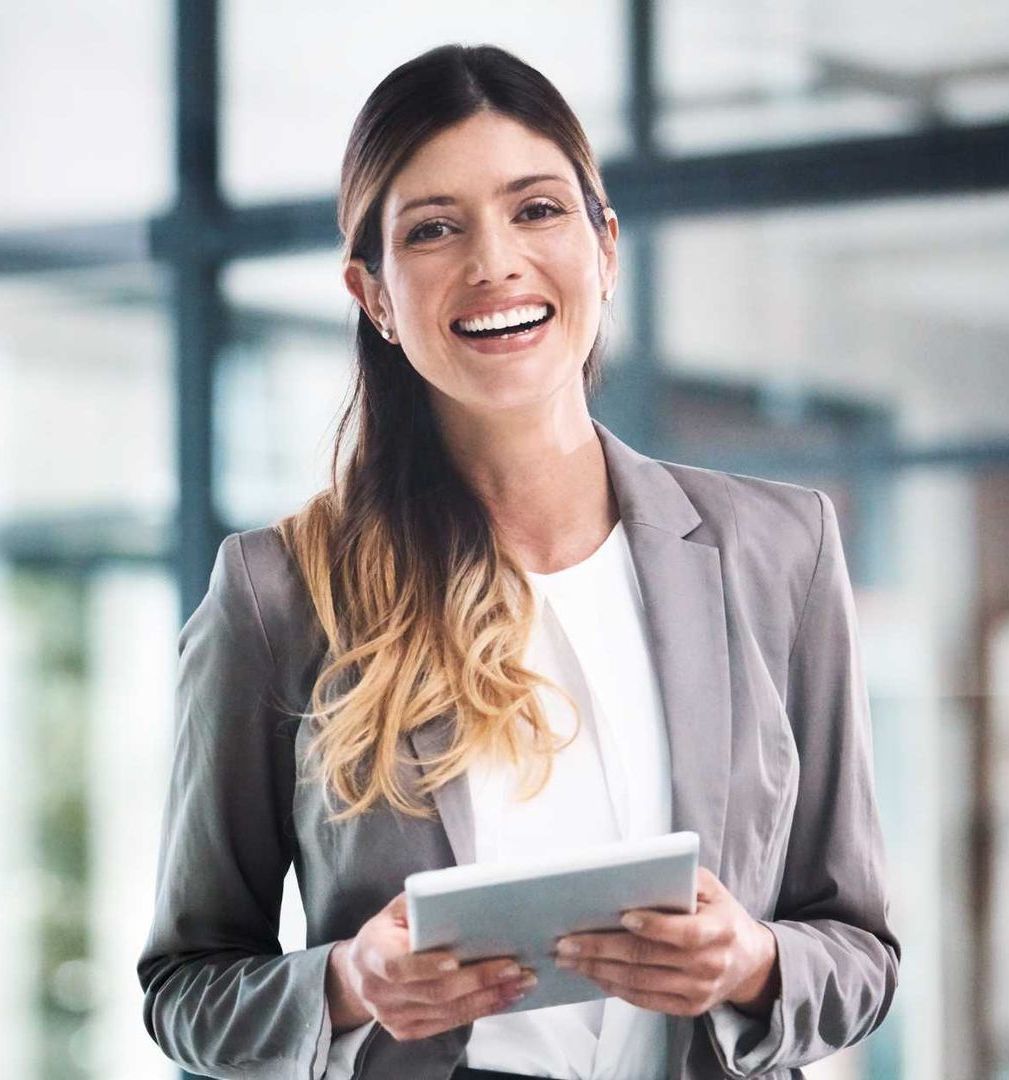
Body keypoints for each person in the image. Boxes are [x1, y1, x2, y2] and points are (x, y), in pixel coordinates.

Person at [137, 43, 900, 1080]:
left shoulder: (778, 552)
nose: (492, 261)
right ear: (373, 294)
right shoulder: (279, 596)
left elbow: (859, 955)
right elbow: (187, 988)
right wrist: (348, 984)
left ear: (606, 247)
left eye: (536, 210)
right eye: (435, 229)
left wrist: (753, 963)